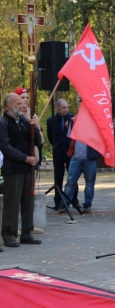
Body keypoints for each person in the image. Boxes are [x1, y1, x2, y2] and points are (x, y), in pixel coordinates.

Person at [0, 93, 42, 248]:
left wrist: (35, 127)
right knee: (12, 203)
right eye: (18, 104)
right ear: (9, 105)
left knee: (28, 201)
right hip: (14, 168)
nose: (22, 106)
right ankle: (9, 235)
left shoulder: (24, 121)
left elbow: (36, 141)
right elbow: (5, 147)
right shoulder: (3, 123)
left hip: (28, 168)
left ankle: (27, 233)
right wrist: (24, 157)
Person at [13, 87, 44, 234]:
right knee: (17, 195)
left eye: (27, 97)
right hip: (18, 160)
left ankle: (29, 224)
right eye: (22, 97)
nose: (25, 100)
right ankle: (16, 225)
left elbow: (41, 140)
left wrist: (36, 126)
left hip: (33, 158)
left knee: (29, 194)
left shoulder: (33, 115)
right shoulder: (13, 116)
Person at [61, 117, 100, 214]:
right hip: (76, 157)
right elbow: (69, 138)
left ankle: (87, 204)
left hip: (90, 157)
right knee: (70, 181)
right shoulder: (73, 120)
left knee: (90, 183)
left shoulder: (95, 120)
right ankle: (65, 203)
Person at [47, 99, 78, 210]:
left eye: (67, 107)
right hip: (58, 152)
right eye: (63, 108)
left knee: (73, 176)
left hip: (70, 152)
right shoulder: (51, 120)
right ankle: (58, 201)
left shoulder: (72, 118)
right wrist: (56, 145)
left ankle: (74, 200)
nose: (66, 110)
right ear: (57, 107)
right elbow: (50, 137)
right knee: (58, 177)